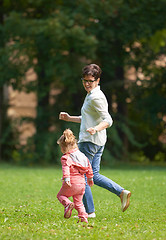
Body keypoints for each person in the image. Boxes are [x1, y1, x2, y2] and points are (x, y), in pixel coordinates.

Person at [59, 63, 131, 218]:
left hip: (90, 141)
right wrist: (69, 118)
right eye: (84, 80)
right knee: (94, 175)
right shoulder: (92, 95)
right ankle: (121, 192)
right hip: (97, 141)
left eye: (90, 81)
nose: (87, 84)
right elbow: (87, 119)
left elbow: (108, 120)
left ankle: (89, 212)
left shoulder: (95, 97)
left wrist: (95, 129)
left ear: (98, 80)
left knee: (80, 176)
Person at [56, 128, 94, 223]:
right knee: (79, 203)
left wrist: (67, 178)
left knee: (61, 195)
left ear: (63, 147)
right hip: (82, 184)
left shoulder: (66, 157)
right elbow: (88, 166)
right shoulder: (82, 156)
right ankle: (83, 218)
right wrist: (90, 178)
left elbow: (66, 168)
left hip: (71, 182)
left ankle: (68, 204)